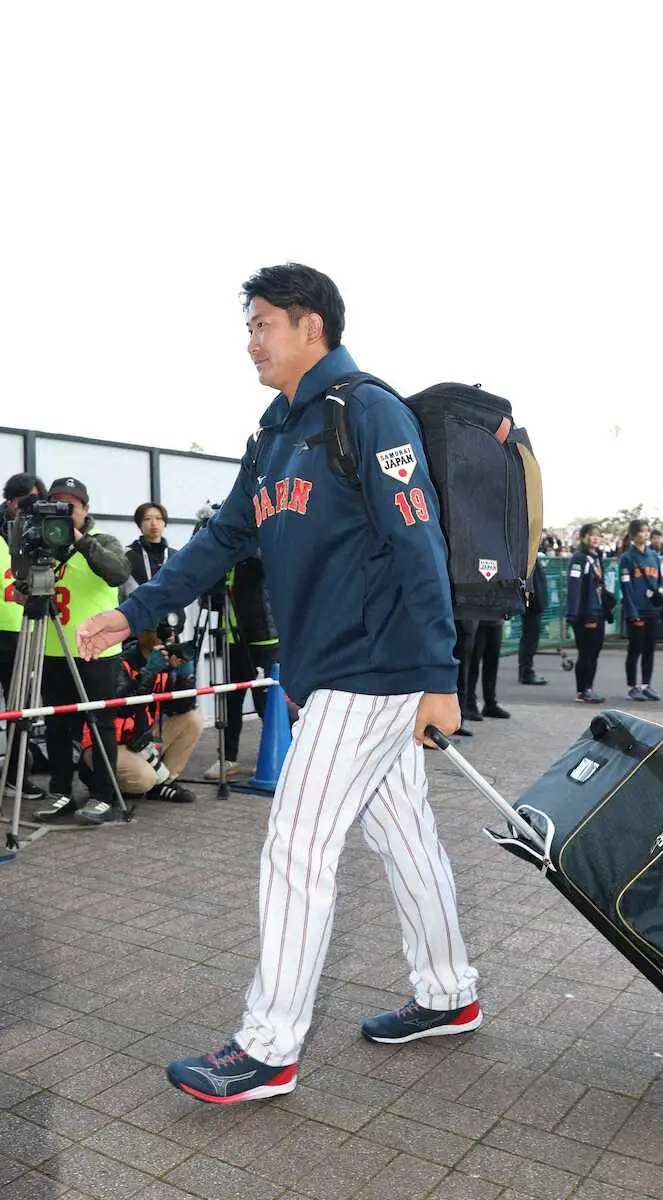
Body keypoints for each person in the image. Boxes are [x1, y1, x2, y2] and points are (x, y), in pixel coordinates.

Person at [76, 262, 480, 1104]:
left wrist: (442, 677)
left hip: (374, 672)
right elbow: (225, 536)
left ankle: (268, 1047)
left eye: (264, 323)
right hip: (331, 671)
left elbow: (420, 545)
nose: (252, 339)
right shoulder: (275, 432)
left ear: (312, 328)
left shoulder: (366, 411)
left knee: (297, 843)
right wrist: (136, 608)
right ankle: (448, 993)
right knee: (403, 833)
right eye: (250, 324)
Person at [31, 478, 131, 825]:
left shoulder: (103, 541)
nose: (65, 511)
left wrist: (77, 539)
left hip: (96, 652)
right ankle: (61, 790)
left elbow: (118, 573)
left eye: (71, 506)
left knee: (100, 723)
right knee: (58, 726)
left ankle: (103, 795)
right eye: (57, 504)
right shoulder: (42, 544)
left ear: (85, 510)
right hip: (53, 649)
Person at [80, 626, 200, 803]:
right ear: (141, 634)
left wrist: (182, 675)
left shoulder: (165, 663)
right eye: (159, 631)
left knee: (192, 720)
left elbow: (184, 707)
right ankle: (100, 778)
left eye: (171, 632)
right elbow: (123, 707)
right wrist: (148, 673)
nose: (168, 636)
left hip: (141, 738)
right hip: (109, 743)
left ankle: (164, 783)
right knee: (145, 779)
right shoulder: (120, 661)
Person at [204, 553, 279, 780]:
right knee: (230, 701)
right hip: (232, 639)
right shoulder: (226, 555)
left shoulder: (257, 549)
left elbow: (264, 569)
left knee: (265, 702)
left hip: (263, 637)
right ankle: (228, 757)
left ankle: (274, 755)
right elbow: (212, 597)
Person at [0, 473, 48, 802]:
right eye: (23, 500)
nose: (26, 507)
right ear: (10, 500)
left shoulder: (40, 531)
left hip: (20, 629)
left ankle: (17, 776)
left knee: (20, 707)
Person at [618, 518, 663, 701]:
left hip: (651, 608)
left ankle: (646, 684)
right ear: (634, 534)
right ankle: (632, 686)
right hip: (636, 610)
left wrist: (661, 597)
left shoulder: (654, 556)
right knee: (635, 649)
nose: (645, 534)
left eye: (647, 531)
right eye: (641, 531)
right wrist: (632, 611)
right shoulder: (627, 558)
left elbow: (660, 582)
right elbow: (626, 587)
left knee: (649, 649)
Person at [565, 523, 610, 703]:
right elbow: (574, 588)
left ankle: (589, 688)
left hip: (597, 612)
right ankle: (582, 691)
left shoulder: (597, 558)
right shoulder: (579, 558)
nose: (595, 538)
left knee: (594, 652)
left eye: (598, 535)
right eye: (591, 535)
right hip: (586, 614)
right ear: (583, 537)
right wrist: (574, 614)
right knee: (586, 653)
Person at [466, 619, 510, 718]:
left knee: (492, 662)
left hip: (496, 617)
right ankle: (469, 703)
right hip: (478, 617)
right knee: (473, 662)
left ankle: (490, 703)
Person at [126, 503, 175, 587]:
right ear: (139, 524)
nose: (154, 523)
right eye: (147, 519)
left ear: (165, 523)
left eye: (158, 518)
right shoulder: (128, 554)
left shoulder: (175, 555)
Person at [518, 554, 548, 685]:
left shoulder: (531, 558)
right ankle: (526, 672)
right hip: (532, 606)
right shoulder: (526, 558)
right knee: (529, 640)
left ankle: (527, 670)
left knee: (530, 639)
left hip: (535, 605)